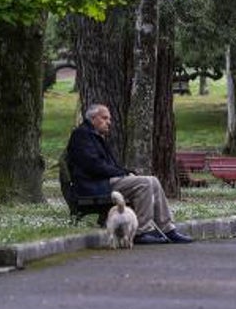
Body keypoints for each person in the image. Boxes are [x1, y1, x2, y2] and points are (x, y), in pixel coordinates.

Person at [65, 103, 192, 244]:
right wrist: (123, 174)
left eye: (110, 119)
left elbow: (107, 166)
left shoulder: (95, 136)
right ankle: (141, 231)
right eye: (105, 118)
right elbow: (94, 166)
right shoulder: (81, 135)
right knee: (144, 183)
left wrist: (126, 172)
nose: (109, 122)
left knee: (153, 180)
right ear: (93, 118)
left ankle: (168, 229)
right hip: (92, 184)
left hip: (102, 181)